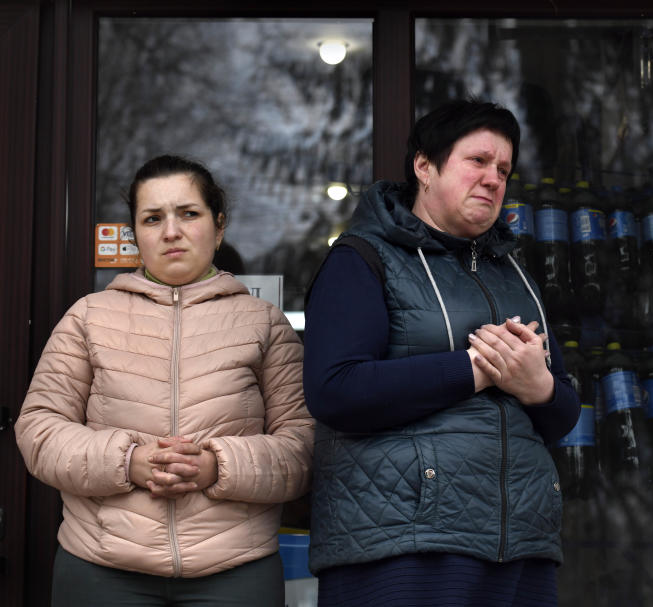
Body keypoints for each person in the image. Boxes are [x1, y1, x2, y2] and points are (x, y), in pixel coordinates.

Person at [304, 99, 580, 606]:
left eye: (503, 169)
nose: (494, 179)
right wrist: (477, 369)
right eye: (477, 161)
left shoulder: (514, 273)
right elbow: (335, 392)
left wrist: (536, 386)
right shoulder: (362, 258)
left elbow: (561, 410)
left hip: (521, 542)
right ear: (424, 167)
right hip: (403, 545)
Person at [15, 155, 314, 607]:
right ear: (136, 235)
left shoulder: (264, 323)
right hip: (101, 567)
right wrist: (128, 461)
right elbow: (38, 429)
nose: (170, 231)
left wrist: (218, 465)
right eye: (152, 219)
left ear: (219, 225)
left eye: (188, 214)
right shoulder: (89, 317)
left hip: (235, 571)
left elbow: (304, 444)